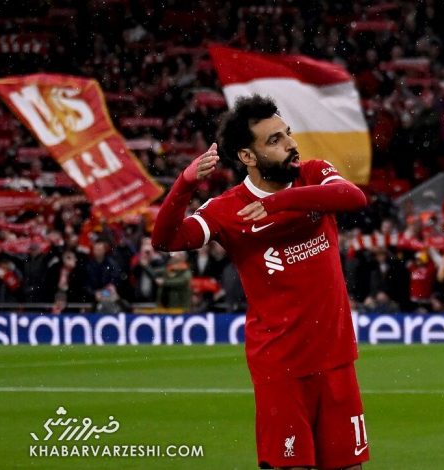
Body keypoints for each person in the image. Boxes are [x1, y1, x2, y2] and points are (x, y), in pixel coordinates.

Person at [151, 94, 370, 470]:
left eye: (287, 133)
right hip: (281, 368)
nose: (290, 144)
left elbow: (354, 197)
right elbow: (165, 240)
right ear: (247, 157)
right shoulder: (227, 209)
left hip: (336, 359)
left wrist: (277, 203)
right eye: (275, 140)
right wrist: (185, 184)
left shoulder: (314, 174)